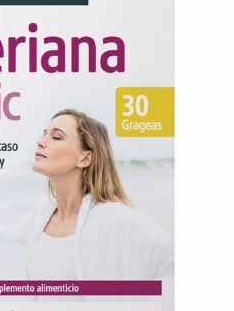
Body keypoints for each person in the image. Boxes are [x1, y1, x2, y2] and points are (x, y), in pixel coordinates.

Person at [24, 109, 173, 281]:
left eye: (56, 137)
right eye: (44, 134)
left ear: (85, 159)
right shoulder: (42, 213)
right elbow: (7, 234)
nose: (40, 142)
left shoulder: (113, 217)